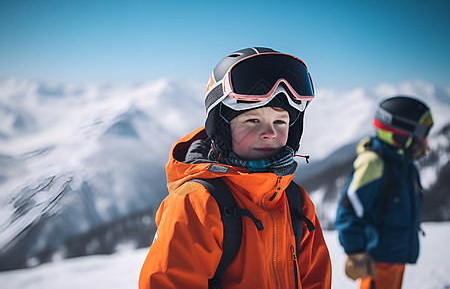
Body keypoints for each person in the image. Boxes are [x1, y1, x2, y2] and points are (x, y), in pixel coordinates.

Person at [139, 47, 332, 288]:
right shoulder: (197, 204)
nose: (270, 133)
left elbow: (315, 280)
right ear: (222, 130)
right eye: (253, 120)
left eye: (280, 121)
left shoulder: (295, 200)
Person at [334, 96, 434, 289]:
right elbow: (348, 210)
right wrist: (355, 251)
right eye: (422, 137)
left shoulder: (404, 165)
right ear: (401, 136)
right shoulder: (374, 163)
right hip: (378, 261)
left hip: (396, 257)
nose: (426, 144)